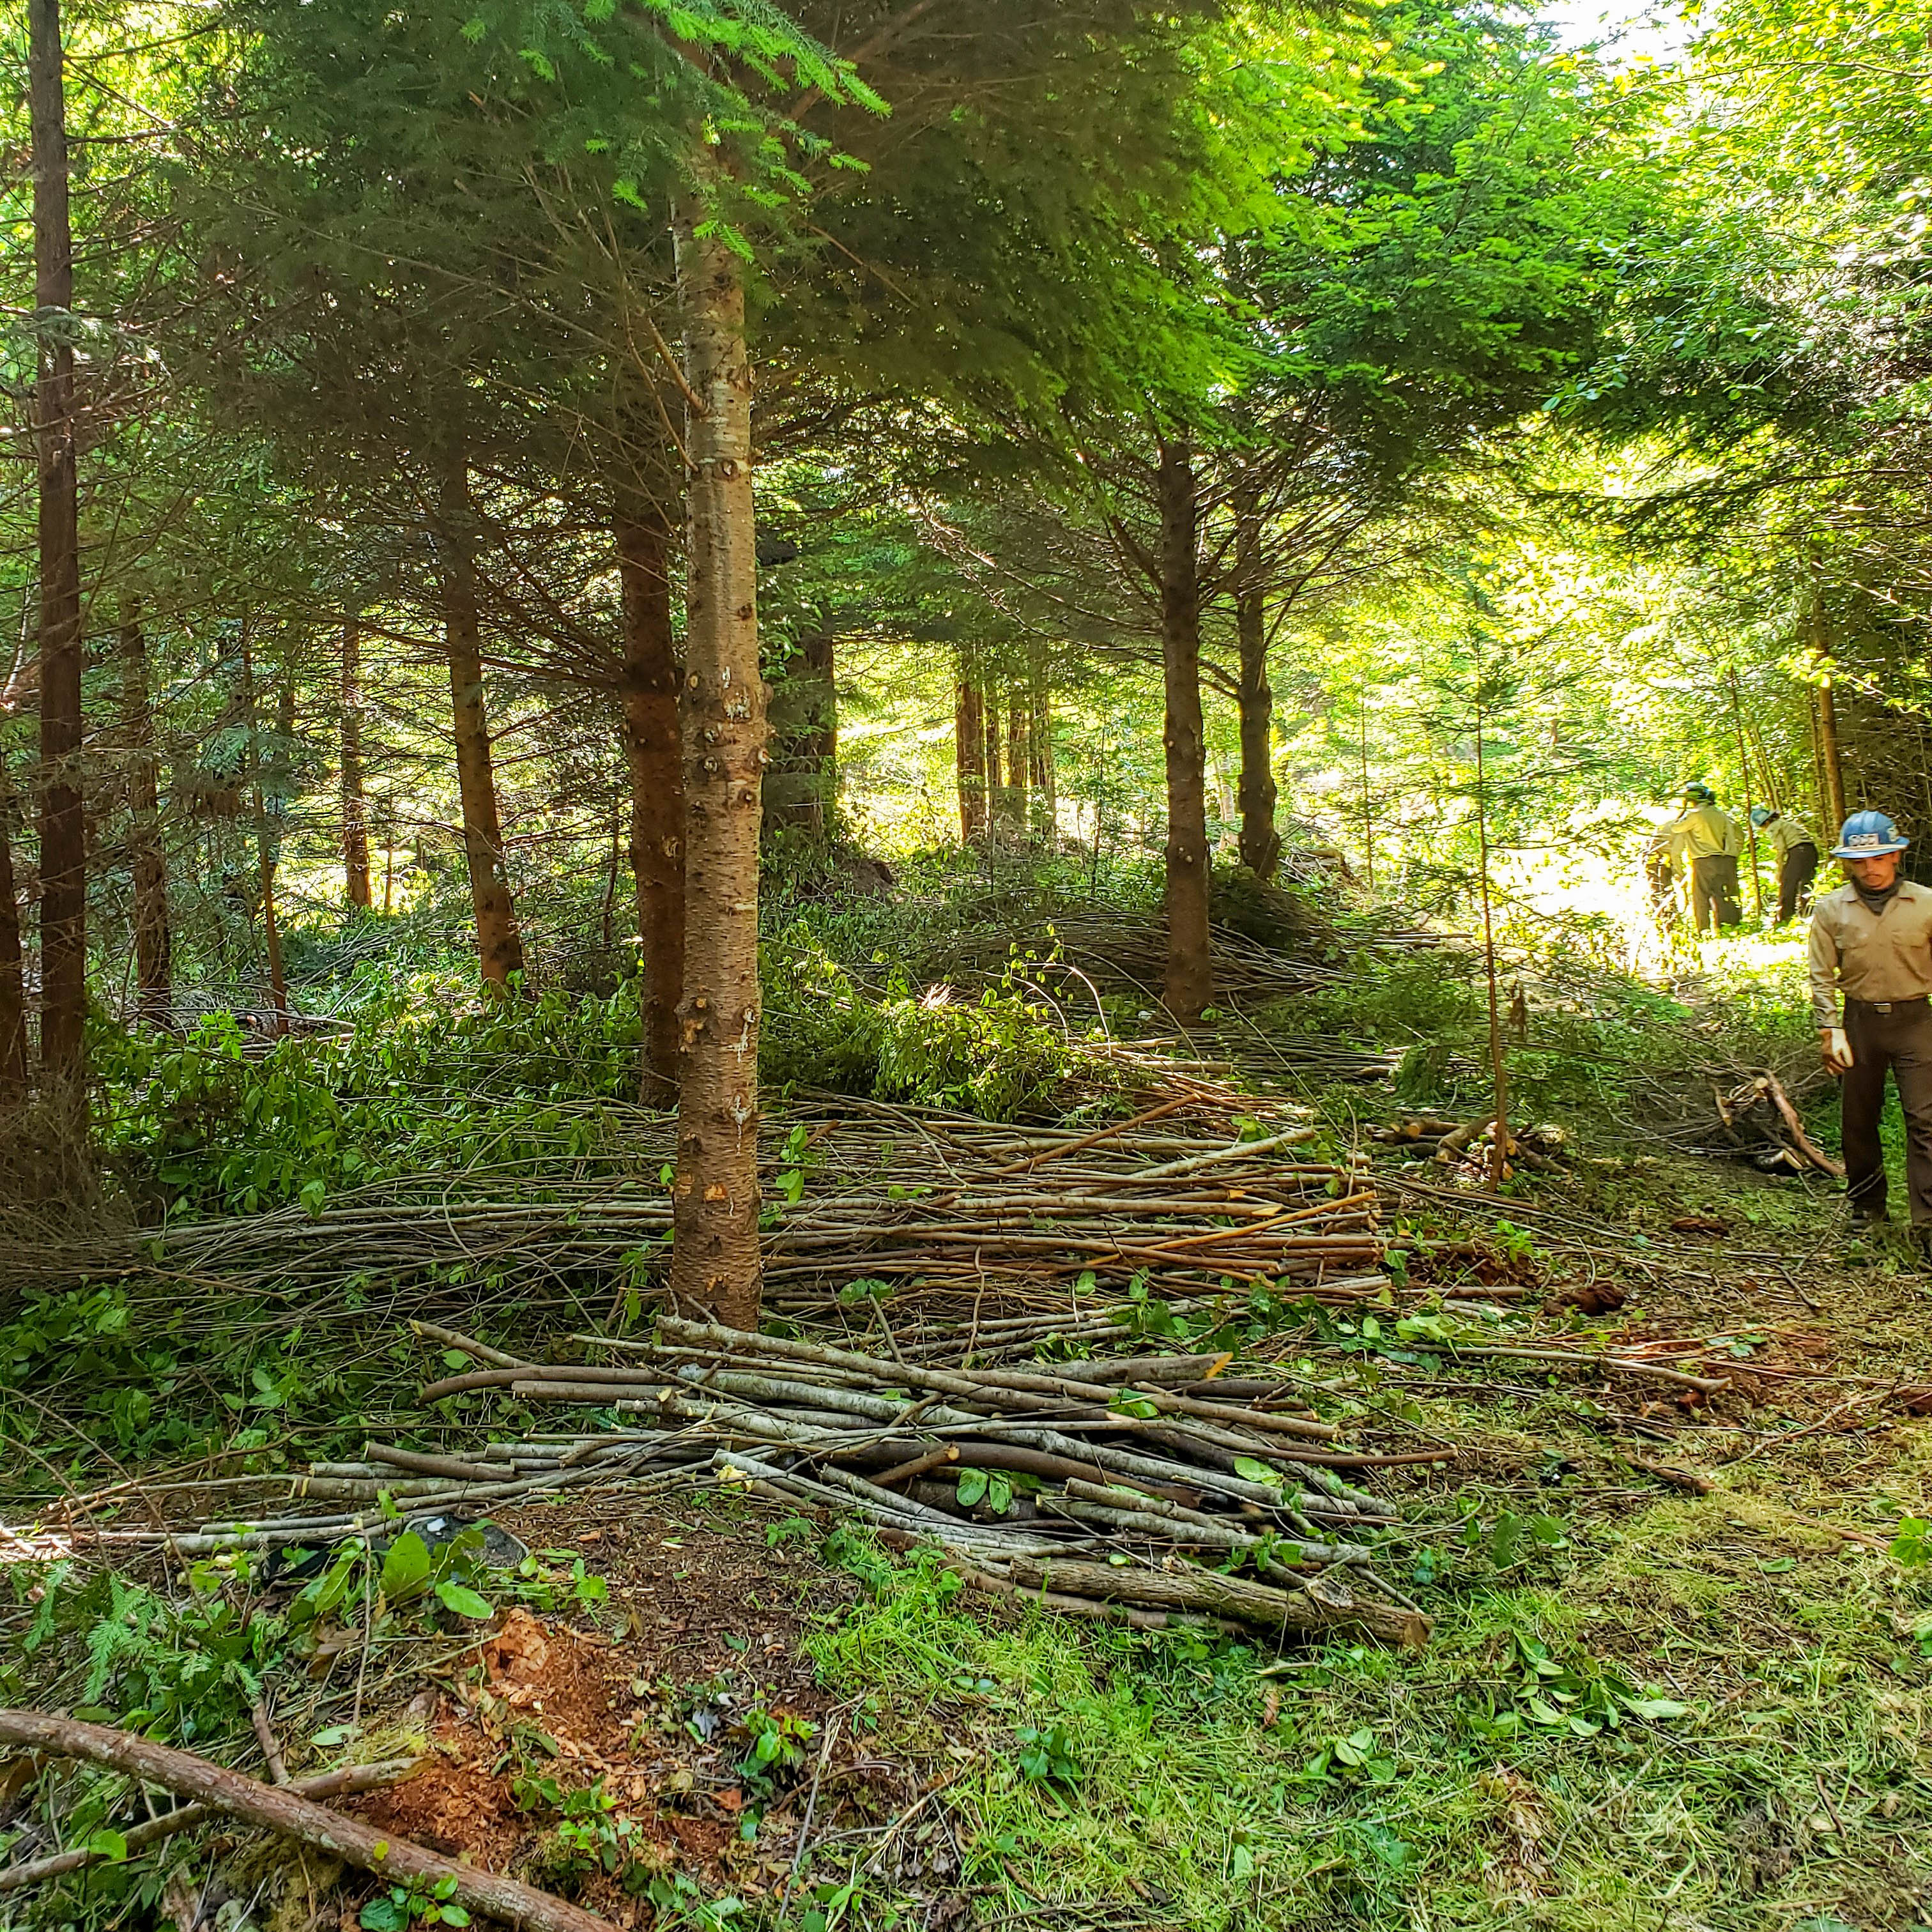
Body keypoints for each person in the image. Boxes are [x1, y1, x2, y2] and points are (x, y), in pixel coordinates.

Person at [1808, 810, 1932, 1232]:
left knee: (1925, 1118)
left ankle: (1928, 1220)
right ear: (1848, 864)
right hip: (1859, 1023)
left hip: (1916, 1020)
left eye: (1878, 858)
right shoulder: (1831, 909)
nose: (1870, 869)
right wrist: (1830, 1030)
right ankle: (1868, 1211)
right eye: (1859, 862)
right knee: (1858, 1120)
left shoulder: (1926, 904)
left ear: (1896, 855)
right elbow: (1821, 974)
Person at [1666, 783, 1745, 932]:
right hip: (1727, 859)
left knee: (1701, 897)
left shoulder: (1695, 816)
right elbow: (1740, 834)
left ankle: (1704, 930)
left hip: (1704, 861)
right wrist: (1736, 852)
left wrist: (1683, 811)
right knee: (1727, 894)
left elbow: (1676, 828)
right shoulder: (1721, 814)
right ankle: (1732, 928)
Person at [1750, 804, 1821, 925]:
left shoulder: (1773, 827)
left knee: (1788, 885)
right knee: (1805, 883)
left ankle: (1784, 919)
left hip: (1798, 851)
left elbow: (1780, 849)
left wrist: (1779, 870)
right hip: (1811, 851)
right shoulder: (1785, 823)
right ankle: (1808, 914)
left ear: (1764, 824)